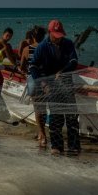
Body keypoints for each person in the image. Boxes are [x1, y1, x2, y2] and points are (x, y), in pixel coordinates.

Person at [29, 19, 80, 155]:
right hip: (50, 85)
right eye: (56, 35)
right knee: (56, 116)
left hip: (66, 83)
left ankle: (74, 145)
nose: (58, 38)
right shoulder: (42, 46)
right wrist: (43, 83)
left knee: (72, 116)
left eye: (60, 35)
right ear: (50, 33)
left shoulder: (68, 43)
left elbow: (74, 61)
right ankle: (56, 146)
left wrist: (62, 72)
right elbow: (33, 66)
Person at [19, 25, 48, 147]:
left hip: (33, 81)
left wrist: (26, 72)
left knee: (37, 109)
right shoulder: (47, 48)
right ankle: (42, 133)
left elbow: (22, 66)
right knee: (43, 108)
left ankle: (41, 134)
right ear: (43, 36)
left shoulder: (27, 49)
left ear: (32, 36)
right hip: (46, 81)